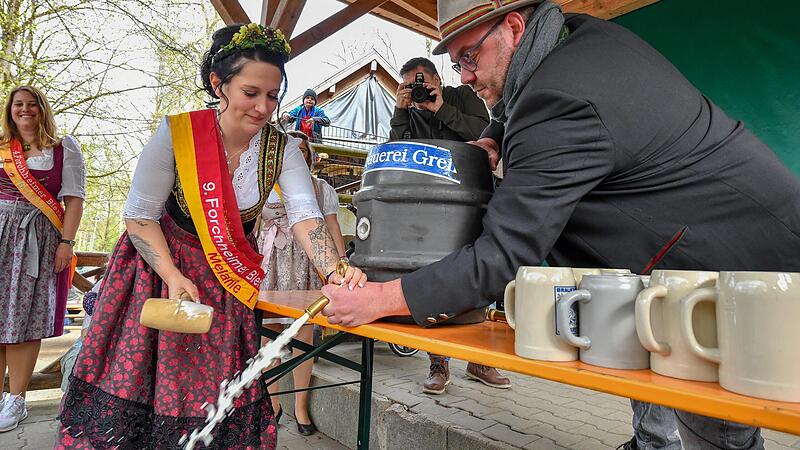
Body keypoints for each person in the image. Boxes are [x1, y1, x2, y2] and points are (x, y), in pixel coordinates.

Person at [319, 1, 800, 450]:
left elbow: (503, 256)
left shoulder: (558, 99)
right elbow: (515, 101)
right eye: (455, 63)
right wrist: (491, 139)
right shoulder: (576, 37)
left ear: (512, 27)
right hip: (708, 254)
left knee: (716, 424)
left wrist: (380, 300)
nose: (465, 75)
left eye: (469, 56)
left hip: (735, 261)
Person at [55, 23, 365, 449]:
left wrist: (335, 270)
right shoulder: (178, 133)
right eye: (251, 93)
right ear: (219, 84)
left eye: (273, 96)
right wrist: (173, 275)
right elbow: (140, 218)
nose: (263, 108)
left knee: (213, 393)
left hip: (225, 278)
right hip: (159, 271)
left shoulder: (283, 149)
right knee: (140, 387)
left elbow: (306, 216)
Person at [389, 57, 510, 396]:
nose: (420, 91)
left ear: (438, 81)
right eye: (412, 86)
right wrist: (401, 112)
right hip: (427, 208)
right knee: (432, 273)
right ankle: (438, 363)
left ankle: (480, 360)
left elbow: (482, 133)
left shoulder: (461, 97)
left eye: (424, 83)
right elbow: (396, 147)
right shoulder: (408, 111)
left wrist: (441, 108)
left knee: (480, 270)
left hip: (472, 199)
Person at [0, 86, 85, 433]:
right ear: (10, 109)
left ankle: (16, 400)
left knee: (22, 318)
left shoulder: (64, 149)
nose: (25, 109)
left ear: (42, 108)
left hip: (37, 237)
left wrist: (66, 241)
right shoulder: (3, 147)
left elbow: (74, 200)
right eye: (18, 104)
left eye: (32, 104)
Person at [259, 130, 346, 436]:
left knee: (303, 336)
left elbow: (332, 229)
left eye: (302, 152)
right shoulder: (262, 183)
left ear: (307, 158)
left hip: (306, 262)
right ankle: (271, 404)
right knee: (266, 336)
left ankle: (300, 406)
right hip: (269, 261)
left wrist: (340, 269)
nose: (297, 155)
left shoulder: (321, 189)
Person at [390, 56, 490, 143]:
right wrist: (400, 111)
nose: (417, 89)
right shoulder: (408, 114)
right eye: (411, 86)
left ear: (436, 80)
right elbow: (393, 152)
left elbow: (485, 134)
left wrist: (443, 110)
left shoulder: (462, 94)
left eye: (421, 83)